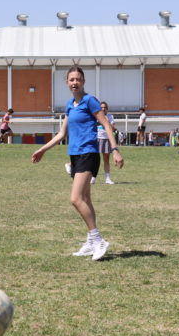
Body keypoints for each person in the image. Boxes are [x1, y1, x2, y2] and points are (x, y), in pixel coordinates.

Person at [31, 66, 123, 261]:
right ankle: (90, 242)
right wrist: (42, 150)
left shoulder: (90, 101)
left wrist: (115, 150)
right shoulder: (70, 105)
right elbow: (62, 134)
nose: (75, 82)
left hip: (88, 154)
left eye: (78, 79)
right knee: (86, 199)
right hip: (74, 155)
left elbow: (106, 124)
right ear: (67, 82)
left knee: (75, 199)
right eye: (71, 79)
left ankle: (98, 240)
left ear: (83, 81)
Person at [96, 101, 117, 184]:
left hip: (106, 139)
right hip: (97, 139)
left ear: (107, 109)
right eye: (101, 107)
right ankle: (93, 177)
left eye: (105, 107)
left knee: (106, 160)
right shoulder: (96, 116)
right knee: (94, 160)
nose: (103, 109)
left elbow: (112, 128)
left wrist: (107, 121)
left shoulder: (110, 116)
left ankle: (107, 178)